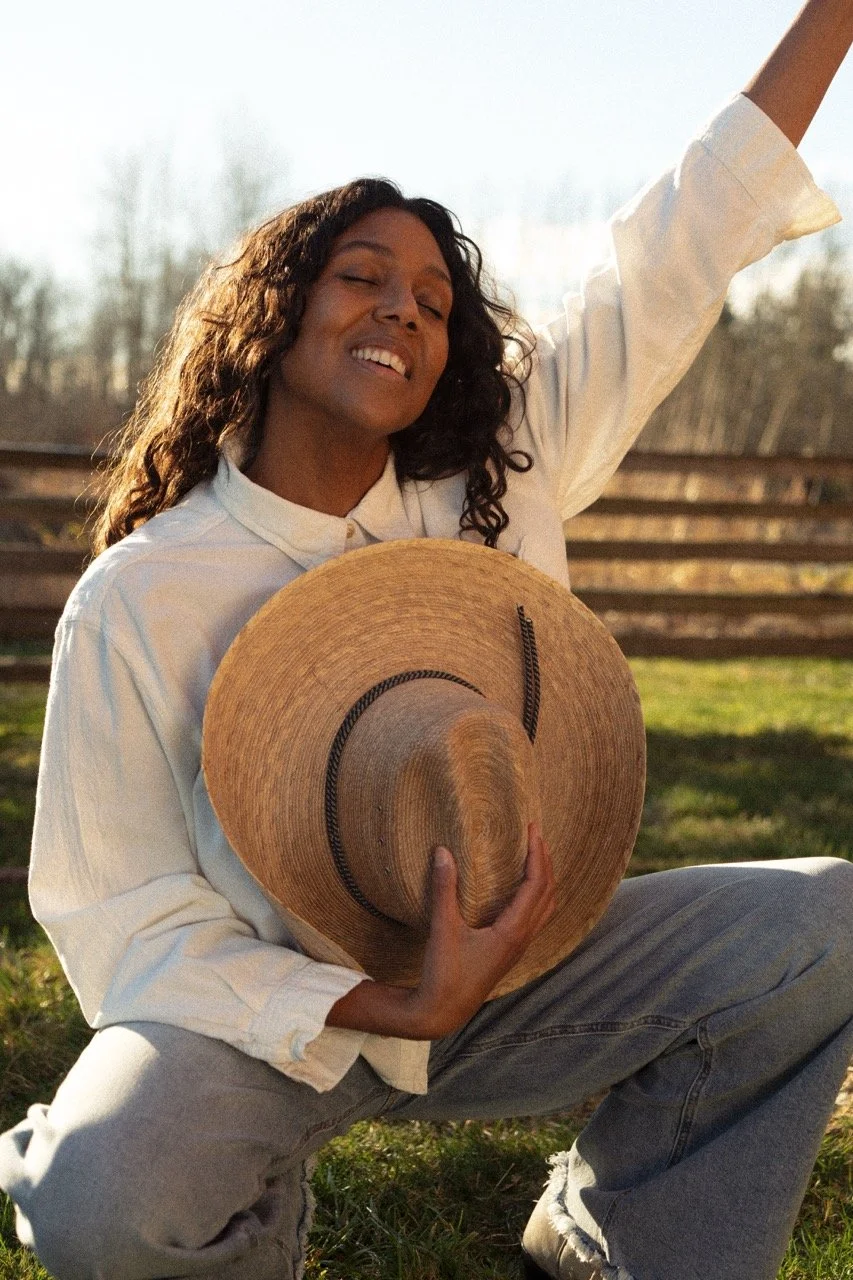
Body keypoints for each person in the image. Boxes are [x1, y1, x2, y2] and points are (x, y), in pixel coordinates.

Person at [2, 2, 853, 1277]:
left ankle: (598, 1246)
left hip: (523, 981)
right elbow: (122, 914)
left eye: (434, 297)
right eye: (362, 276)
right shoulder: (142, 594)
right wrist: (378, 1000)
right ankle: (121, 1155)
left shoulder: (497, 469)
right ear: (275, 316)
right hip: (259, 1026)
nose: (404, 307)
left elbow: (678, 245)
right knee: (98, 1195)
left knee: (826, 924)